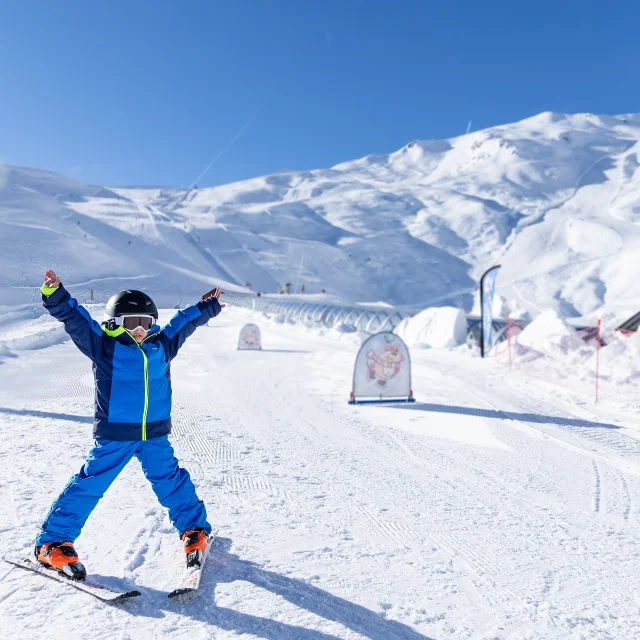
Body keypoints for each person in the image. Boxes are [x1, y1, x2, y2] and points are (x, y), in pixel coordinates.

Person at [34, 270, 224, 580]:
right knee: (90, 485)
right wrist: (56, 296)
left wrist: (206, 308)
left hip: (155, 435)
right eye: (130, 322)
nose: (138, 329)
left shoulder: (162, 345)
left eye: (145, 322)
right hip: (115, 434)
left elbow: (183, 323)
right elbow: (76, 320)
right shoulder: (104, 347)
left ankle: (194, 530)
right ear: (114, 323)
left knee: (171, 481)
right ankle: (52, 543)